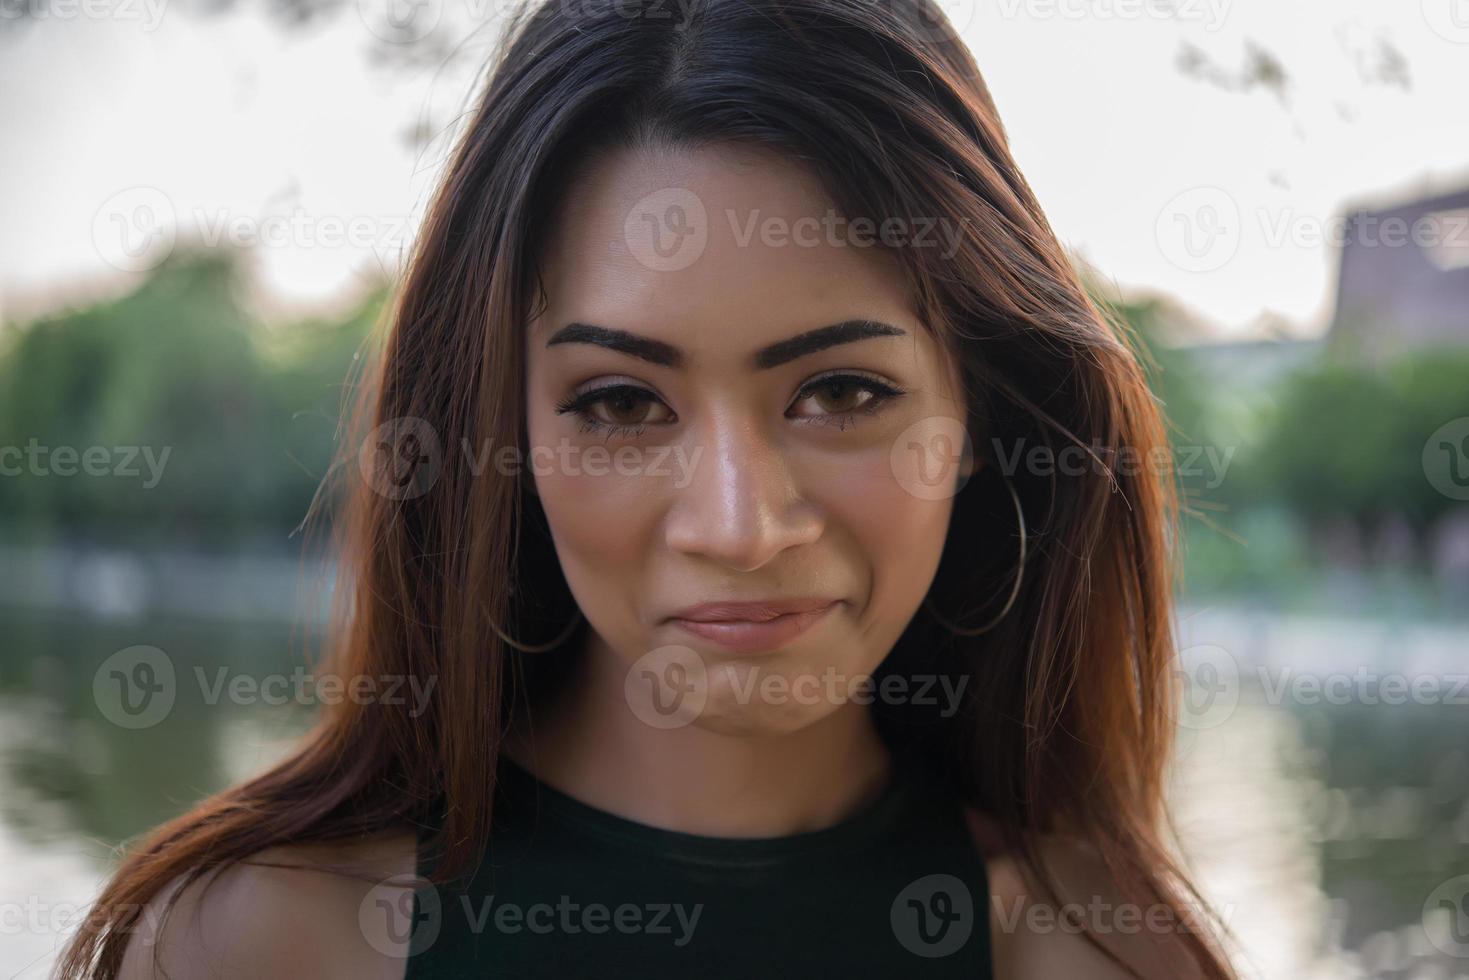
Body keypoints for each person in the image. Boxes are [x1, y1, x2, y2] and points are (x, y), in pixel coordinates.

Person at [61, 0, 1237, 976]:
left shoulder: (1097, 947)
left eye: (839, 391)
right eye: (620, 402)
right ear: (502, 425)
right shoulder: (260, 939)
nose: (737, 525)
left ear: (982, 409)